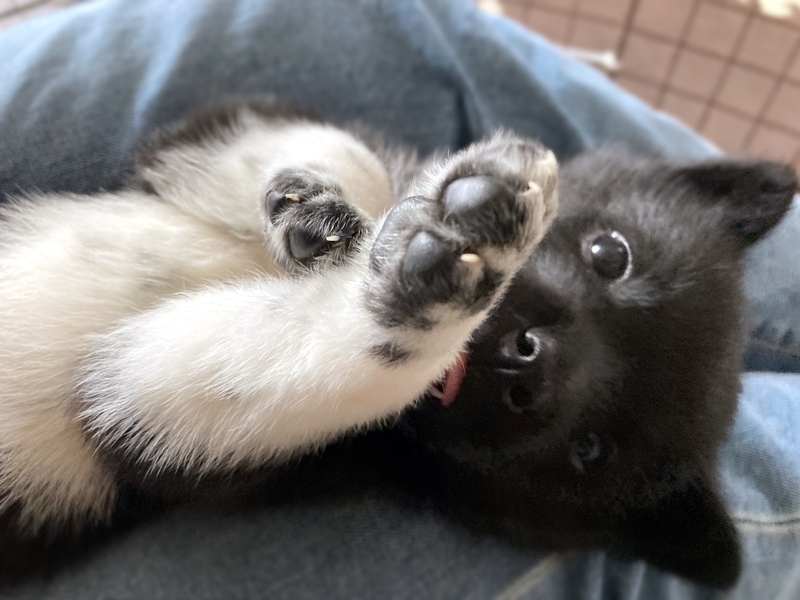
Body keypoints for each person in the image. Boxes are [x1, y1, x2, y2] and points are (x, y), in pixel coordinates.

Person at [0, 0, 797, 597]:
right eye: (608, 257)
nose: (547, 367)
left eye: (593, 449)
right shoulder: (385, 183)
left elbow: (128, 404)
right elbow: (185, 155)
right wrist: (327, 183)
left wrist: (383, 340)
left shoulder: (339, 447)